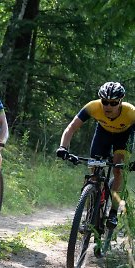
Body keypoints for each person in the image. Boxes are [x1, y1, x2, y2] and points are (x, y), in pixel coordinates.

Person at [56, 81, 135, 228]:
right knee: (94, 173)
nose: (108, 106)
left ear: (120, 102)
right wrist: (63, 147)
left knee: (118, 169)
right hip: (103, 134)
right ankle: (93, 206)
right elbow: (71, 128)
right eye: (105, 102)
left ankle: (113, 212)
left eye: (113, 103)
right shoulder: (93, 107)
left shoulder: (131, 112)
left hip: (123, 137)